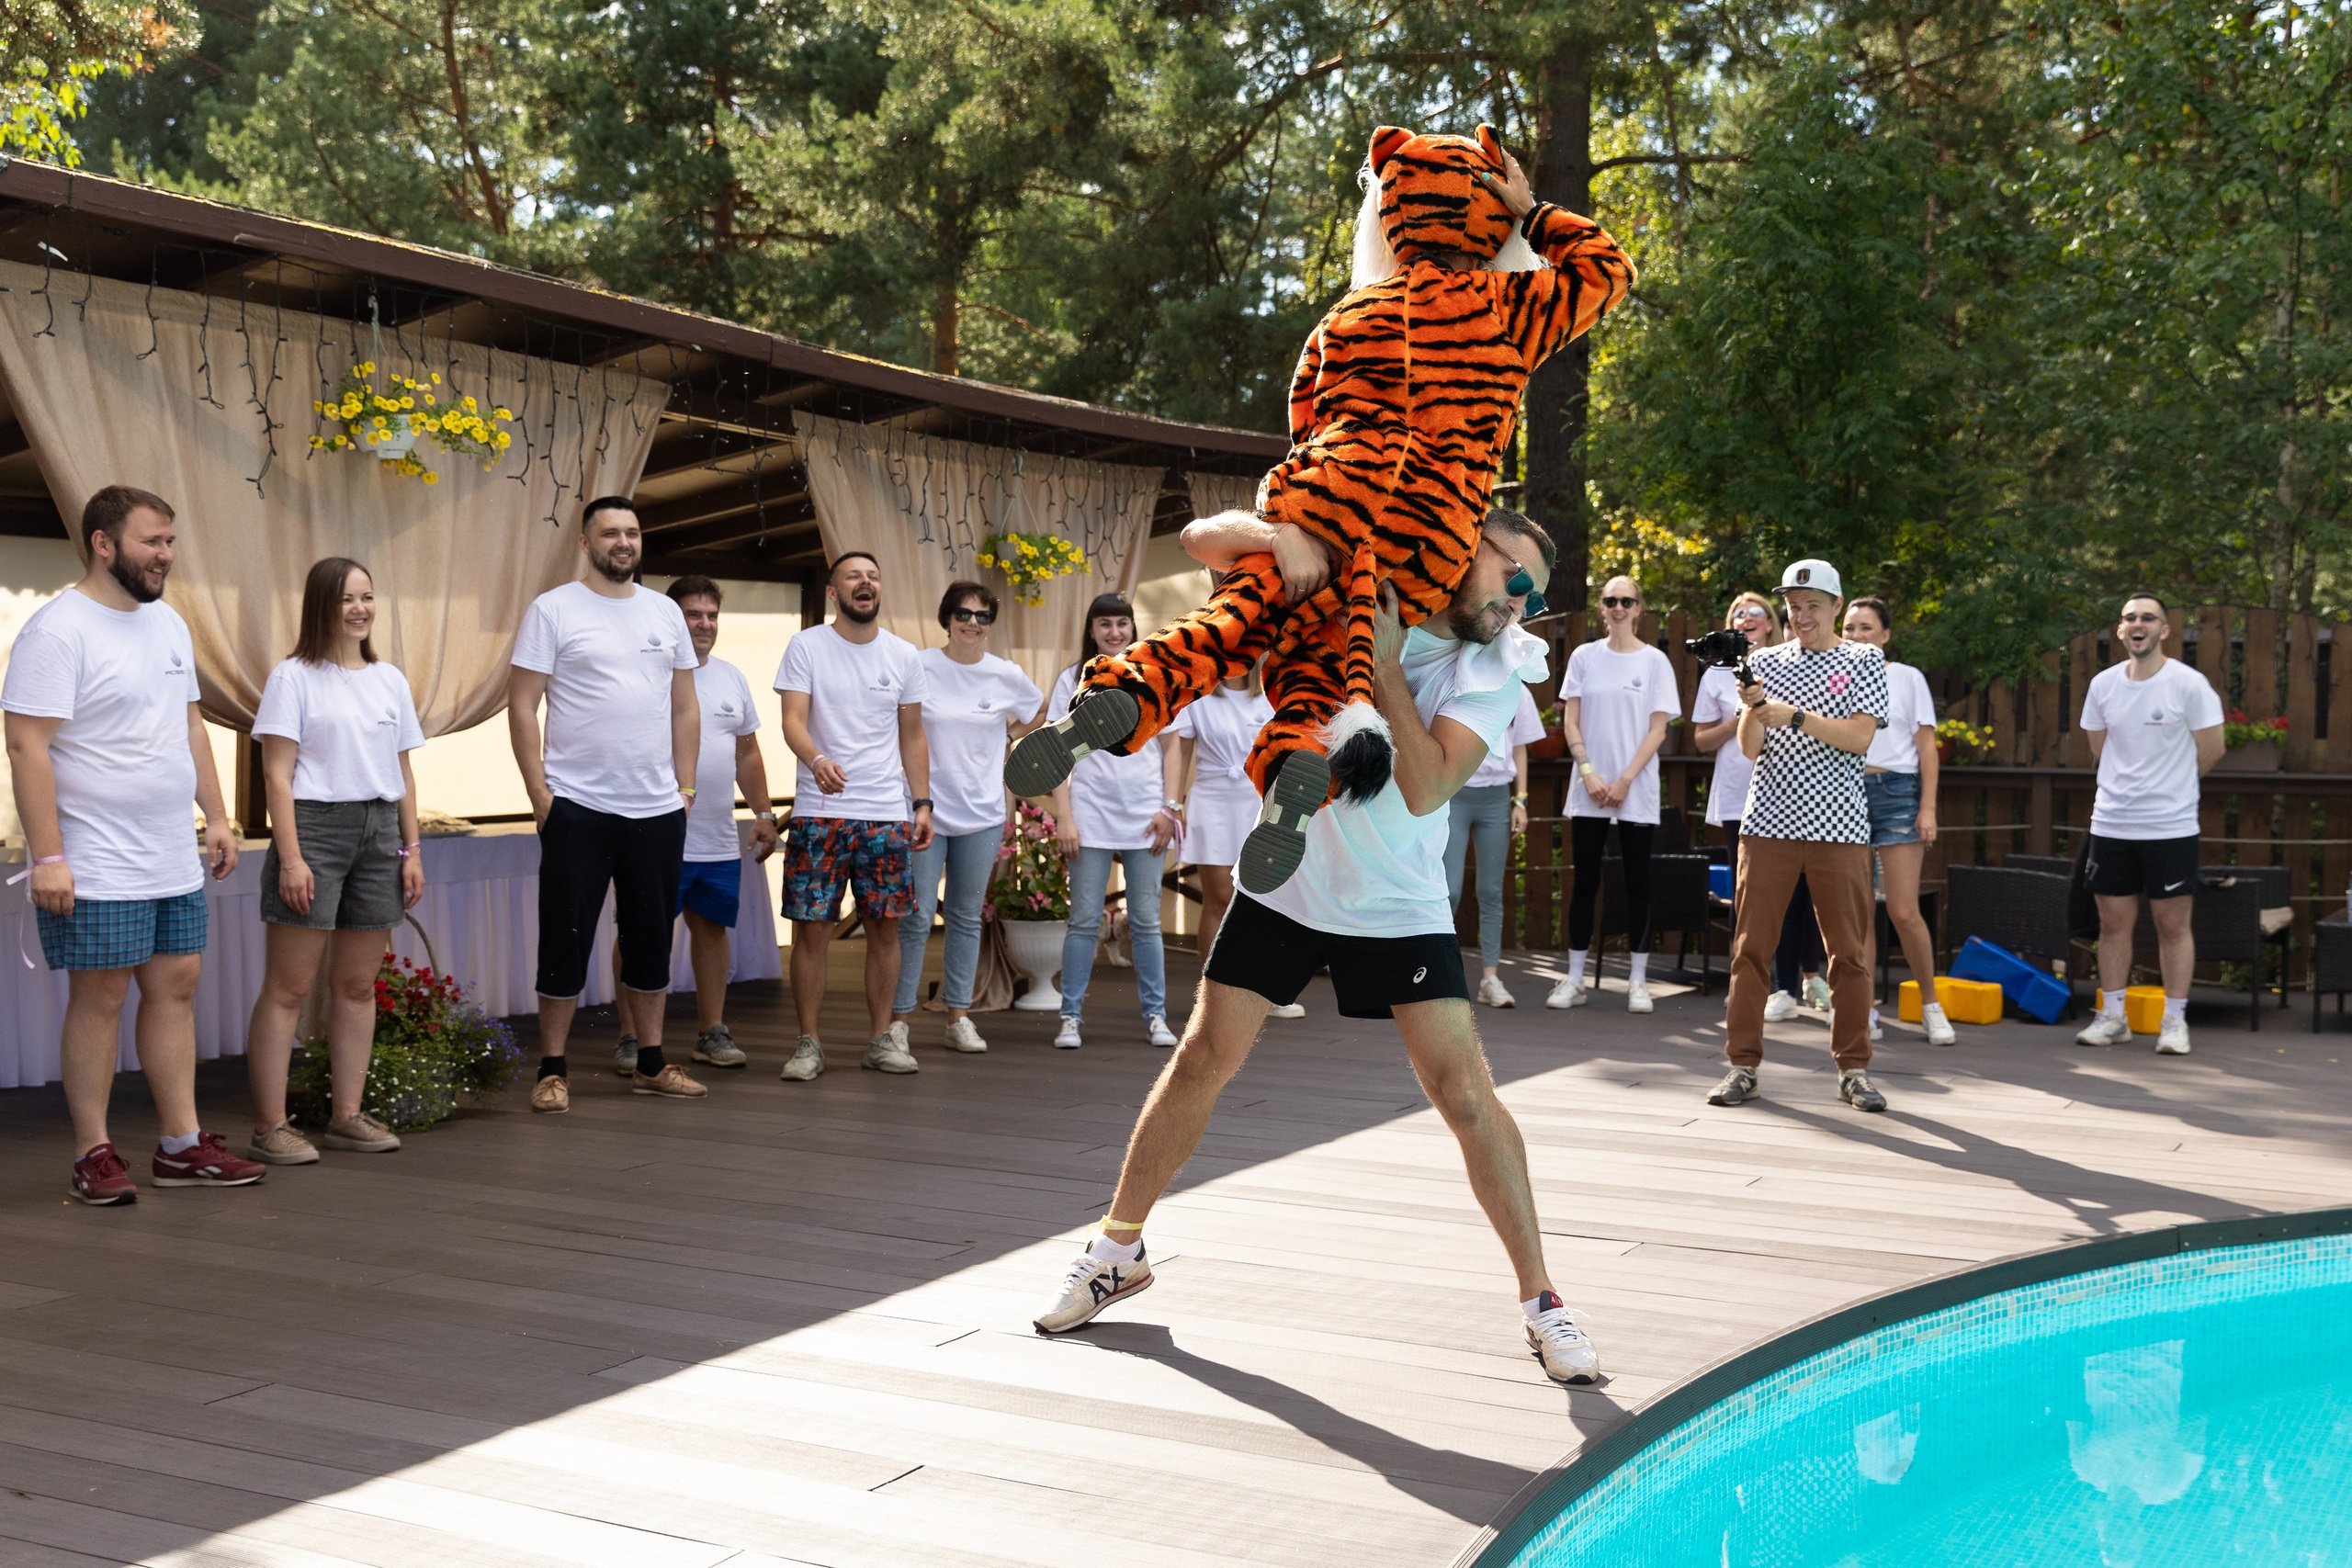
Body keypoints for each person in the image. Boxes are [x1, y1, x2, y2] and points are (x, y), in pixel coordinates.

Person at [1035, 509, 1604, 1386]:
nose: (1519, 602)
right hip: (1288, 877)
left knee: (1463, 1094)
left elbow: (1425, 787)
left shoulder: (1496, 669)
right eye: (1512, 576)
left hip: (1397, 899)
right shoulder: (1353, 576)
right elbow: (1200, 540)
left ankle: (1544, 1303)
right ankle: (1118, 1249)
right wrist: (1285, 538)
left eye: (1535, 591)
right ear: (1461, 549)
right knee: (1201, 1058)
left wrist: (1378, 661)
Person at [1012, 127, 1632, 895]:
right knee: (1329, 670)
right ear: (1488, 217)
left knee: (1238, 616)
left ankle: (1127, 690)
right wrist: (1532, 209)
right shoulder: (1508, 306)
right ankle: (1299, 766)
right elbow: (1607, 270)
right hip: (1423, 538)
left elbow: (1306, 419)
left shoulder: (1346, 316)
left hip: (1325, 498)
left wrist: (1300, 516)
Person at [3, 485, 260, 1202]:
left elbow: (190, 726)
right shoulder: (58, 630)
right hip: (95, 855)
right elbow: (26, 747)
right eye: (153, 541)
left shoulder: (168, 625)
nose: (166, 555)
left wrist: (217, 814)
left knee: (177, 986)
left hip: (169, 850)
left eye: (171, 542)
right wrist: (48, 856)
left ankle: (181, 1145)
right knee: (102, 996)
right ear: (104, 544)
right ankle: (93, 1151)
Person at [508, 496, 706, 1113]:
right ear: (585, 543)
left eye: (633, 532)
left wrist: (686, 788)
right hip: (578, 808)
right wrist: (541, 796)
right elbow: (521, 706)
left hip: (656, 809)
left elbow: (684, 706)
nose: (624, 541)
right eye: (611, 532)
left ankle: (650, 1061)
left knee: (651, 937)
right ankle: (552, 1069)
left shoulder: (665, 613)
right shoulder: (552, 609)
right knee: (564, 939)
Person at [242, 557, 428, 1165]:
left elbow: (402, 772)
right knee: (290, 985)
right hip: (313, 828)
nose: (360, 608)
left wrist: (412, 848)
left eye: (368, 596)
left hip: (380, 829)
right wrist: (290, 857)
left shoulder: (389, 679)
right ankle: (270, 1125)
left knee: (355, 984)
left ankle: (346, 1115)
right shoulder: (292, 676)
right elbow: (276, 772)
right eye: (347, 597)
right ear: (320, 604)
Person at [1710, 559, 1891, 1114]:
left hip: (1839, 827)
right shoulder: (1762, 658)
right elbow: (1749, 747)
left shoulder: (1865, 657)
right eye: (1792, 603)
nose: (1800, 613)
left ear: (1837, 605)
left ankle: (1854, 1071)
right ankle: (1742, 1065)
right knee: (1750, 950)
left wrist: (1792, 716)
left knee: (1849, 955)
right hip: (1767, 824)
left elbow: (1861, 738)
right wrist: (1752, 707)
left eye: (1812, 603)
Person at [610, 575, 779, 1076]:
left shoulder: (732, 677)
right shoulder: (646, 673)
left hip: (716, 837)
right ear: (671, 619)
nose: (704, 624)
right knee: (642, 935)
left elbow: (747, 752)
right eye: (692, 615)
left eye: (711, 615)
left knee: (711, 932)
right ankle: (630, 1036)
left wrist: (766, 814)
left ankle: (711, 1031)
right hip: (654, 834)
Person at [775, 551, 933, 1080]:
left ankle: (881, 1038)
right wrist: (816, 759)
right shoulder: (807, 646)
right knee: (812, 931)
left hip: (886, 814)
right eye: (853, 577)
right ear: (834, 592)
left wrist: (922, 802)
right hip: (820, 812)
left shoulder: (903, 655)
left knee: (885, 931)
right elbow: (792, 720)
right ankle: (808, 1043)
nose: (865, 583)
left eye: (873, 575)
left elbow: (912, 735)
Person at [889, 581, 1042, 1055]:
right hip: (923, 812)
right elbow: (900, 726)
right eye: (963, 613)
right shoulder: (919, 665)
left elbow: (1035, 713)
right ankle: (897, 1022)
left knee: (964, 918)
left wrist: (1005, 737)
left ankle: (959, 1015)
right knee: (914, 917)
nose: (972, 623)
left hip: (983, 814)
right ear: (947, 618)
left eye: (982, 616)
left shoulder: (1004, 674)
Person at [2073, 592, 2223, 1056]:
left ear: (2164, 630)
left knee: (2172, 925)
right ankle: (2113, 1017)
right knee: (2112, 923)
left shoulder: (2188, 684)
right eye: (2129, 618)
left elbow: (2213, 748)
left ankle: (2174, 1021)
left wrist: (2172, 786)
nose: (2138, 625)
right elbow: (2100, 750)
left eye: (2148, 618)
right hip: (2112, 824)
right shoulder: (2103, 685)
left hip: (2170, 827)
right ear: (2120, 631)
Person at [1044, 594, 1185, 1049]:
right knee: (1083, 919)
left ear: (1132, 627)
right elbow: (1057, 750)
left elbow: (1173, 748)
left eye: (1121, 623)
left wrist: (1171, 808)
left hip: (1146, 815)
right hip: (1089, 815)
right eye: (1104, 623)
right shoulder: (1072, 678)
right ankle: (1070, 1018)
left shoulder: (1153, 674)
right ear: (1092, 630)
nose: (1114, 632)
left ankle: (1156, 1017)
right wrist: (1064, 815)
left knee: (1145, 921)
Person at [1546, 575, 1679, 1013]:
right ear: (1601, 608)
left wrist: (1623, 781)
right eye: (1610, 600)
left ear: (1639, 609)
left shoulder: (1656, 662)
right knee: (1584, 882)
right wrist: (1588, 773)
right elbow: (1571, 722)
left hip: (1634, 792)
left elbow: (1658, 730)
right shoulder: (1584, 657)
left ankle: (1637, 983)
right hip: (1589, 790)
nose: (1618, 607)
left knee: (1638, 883)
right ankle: (1576, 979)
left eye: (1627, 600)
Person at [1693, 595, 1826, 1024]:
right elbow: (1700, 741)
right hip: (1737, 793)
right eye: (1737, 614)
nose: (1746, 620)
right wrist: (1746, 710)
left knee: (1800, 890)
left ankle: (1802, 978)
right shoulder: (1716, 675)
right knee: (1746, 893)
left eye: (1755, 614)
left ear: (1771, 624)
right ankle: (1751, 984)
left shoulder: (1786, 663)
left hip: (1788, 790)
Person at [1840, 595, 1955, 1047]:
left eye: (1866, 628)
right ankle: (1864, 1009)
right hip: (1844, 793)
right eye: (1849, 628)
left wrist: (1928, 808)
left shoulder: (1907, 678)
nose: (1856, 636)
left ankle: (1930, 1006)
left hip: (1898, 794)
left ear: (1885, 636)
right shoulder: (1831, 677)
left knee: (1905, 911)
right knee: (1859, 914)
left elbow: (1927, 747)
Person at [1169, 668, 1306, 1019]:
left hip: (1261, 801)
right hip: (1211, 800)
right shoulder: (1196, 695)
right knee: (1218, 898)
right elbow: (1180, 753)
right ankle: (1213, 996)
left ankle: (1268, 991)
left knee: (1267, 899)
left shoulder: (1271, 692)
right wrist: (1174, 804)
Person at [1444, 686, 1544, 1006]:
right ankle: (1439, 975)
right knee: (1449, 889)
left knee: (1490, 890)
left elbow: (1521, 748)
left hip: (1497, 798)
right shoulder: (1456, 680)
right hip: (1454, 794)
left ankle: (1490, 979)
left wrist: (1521, 800)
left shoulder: (1518, 689)